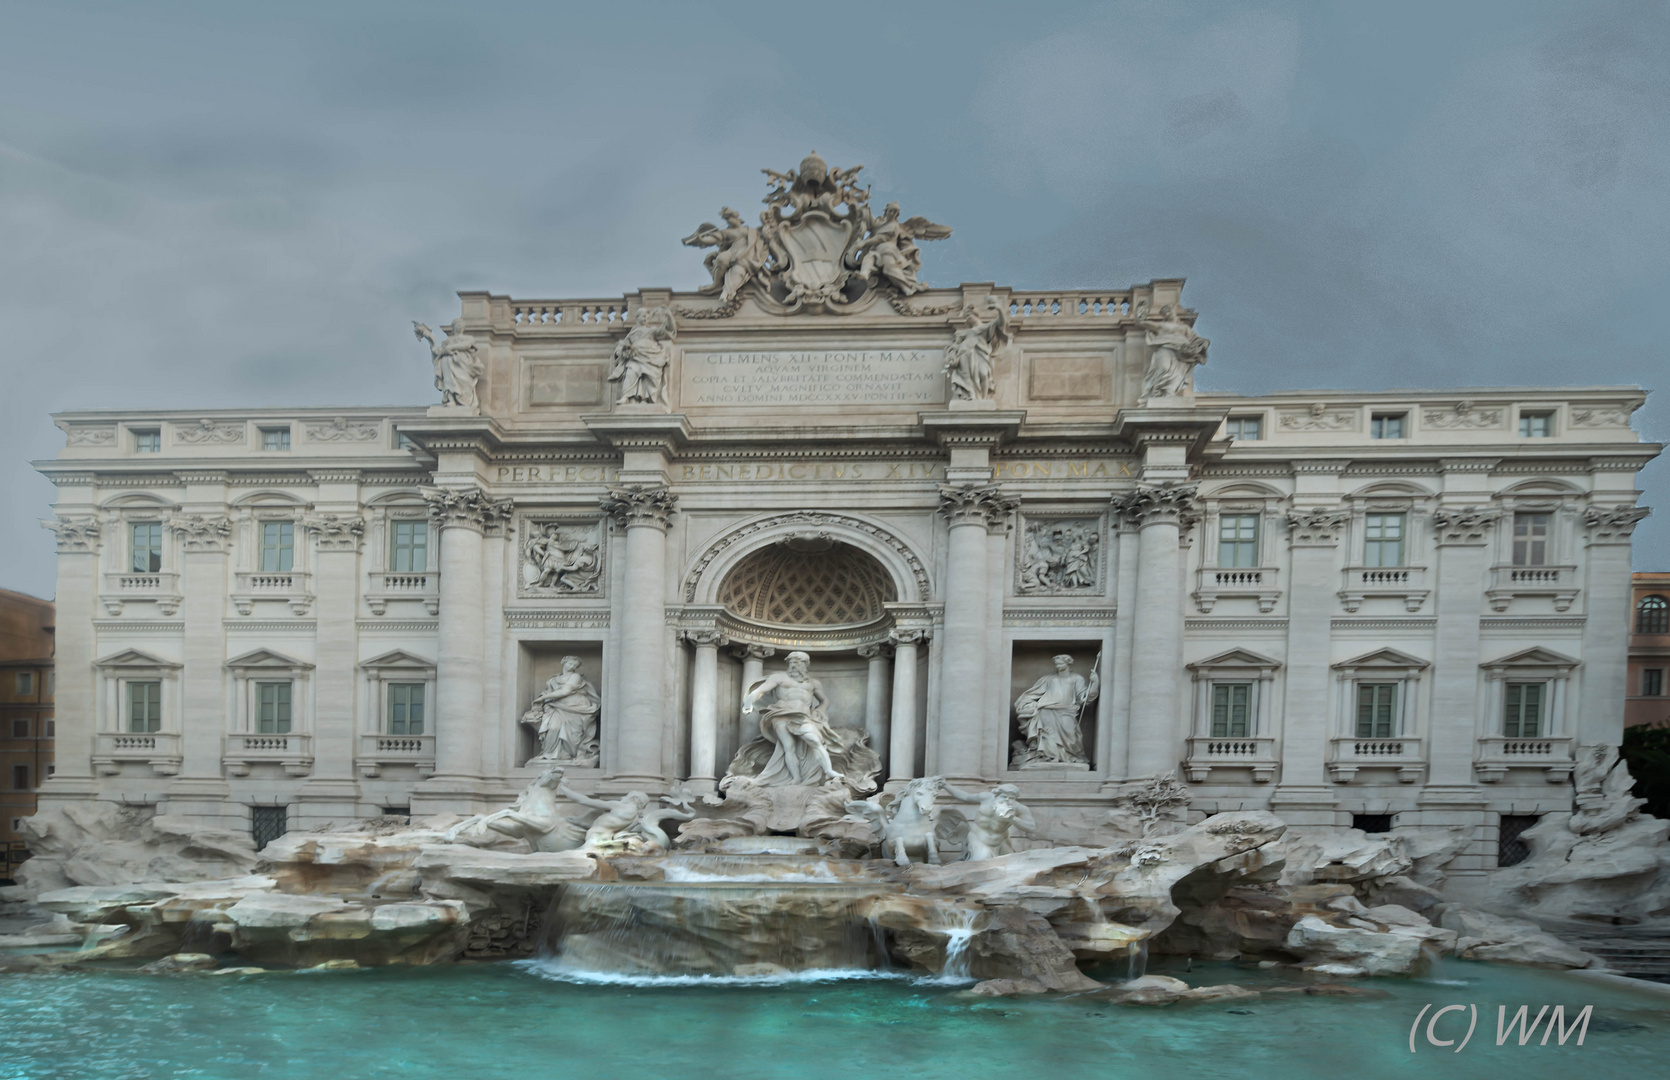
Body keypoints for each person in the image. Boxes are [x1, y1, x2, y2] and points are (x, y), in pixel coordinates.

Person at [741, 651, 842, 786]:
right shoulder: (779, 677)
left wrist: (819, 710)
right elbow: (760, 690)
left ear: (806, 664)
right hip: (781, 714)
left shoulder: (813, 683)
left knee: (816, 741)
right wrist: (749, 702)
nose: (794, 665)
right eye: (791, 662)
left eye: (797, 662)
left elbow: (825, 701)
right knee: (788, 746)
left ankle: (828, 770)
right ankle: (796, 778)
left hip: (803, 717)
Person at [1012, 654, 1099, 765]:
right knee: (1048, 735)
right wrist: (1025, 703)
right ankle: (1048, 757)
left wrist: (1094, 683)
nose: (1058, 666)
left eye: (1061, 663)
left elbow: (1084, 697)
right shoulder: (1048, 679)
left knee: (1070, 735)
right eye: (1056, 664)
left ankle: (1070, 757)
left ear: (1068, 664)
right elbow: (1033, 693)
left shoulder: (1076, 678)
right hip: (1046, 709)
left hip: (1067, 711)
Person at [521, 657, 600, 765]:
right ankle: (549, 754)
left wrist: (542, 699)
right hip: (556, 707)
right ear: (564, 662)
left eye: (575, 666)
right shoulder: (553, 679)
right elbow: (547, 692)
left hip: (576, 708)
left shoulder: (575, 677)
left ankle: (568, 754)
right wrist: (542, 699)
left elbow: (566, 691)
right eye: (570, 663)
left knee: (573, 735)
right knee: (553, 727)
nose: (572, 667)